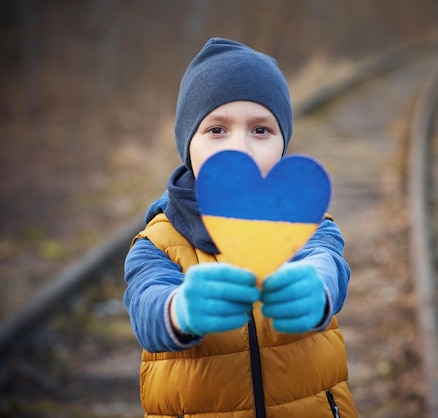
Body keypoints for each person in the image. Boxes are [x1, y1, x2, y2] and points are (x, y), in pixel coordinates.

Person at [123, 38, 357, 418]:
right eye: (217, 130)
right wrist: (179, 310)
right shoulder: (157, 243)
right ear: (188, 144)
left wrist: (317, 287)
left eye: (261, 130)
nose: (240, 148)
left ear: (283, 143)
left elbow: (328, 264)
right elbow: (146, 309)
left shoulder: (306, 226)